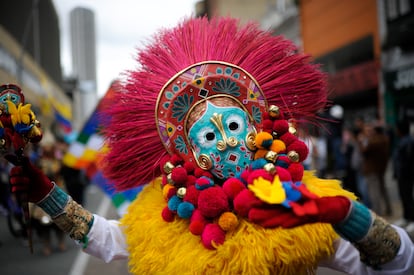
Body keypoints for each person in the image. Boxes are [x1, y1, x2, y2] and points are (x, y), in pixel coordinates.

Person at [4, 17, 414, 274]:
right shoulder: (166, 216)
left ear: (255, 127)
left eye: (234, 125)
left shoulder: (301, 202)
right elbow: (109, 240)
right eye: (211, 136)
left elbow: (399, 263)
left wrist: (347, 214)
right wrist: (46, 194)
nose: (228, 143)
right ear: (190, 152)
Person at [358, 123, 393, 216]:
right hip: (381, 169)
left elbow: (363, 151)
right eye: (367, 130)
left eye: (371, 130)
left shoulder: (373, 141)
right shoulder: (384, 139)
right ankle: (388, 209)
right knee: (382, 189)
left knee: (374, 192)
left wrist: (361, 141)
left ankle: (378, 212)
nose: (369, 132)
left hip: (372, 170)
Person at [393, 119, 414, 232]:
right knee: (403, 196)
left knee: (408, 197)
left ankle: (412, 218)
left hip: (407, 175)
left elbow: (408, 161)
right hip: (401, 174)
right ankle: (406, 217)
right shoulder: (402, 140)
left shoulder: (408, 141)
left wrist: (404, 172)